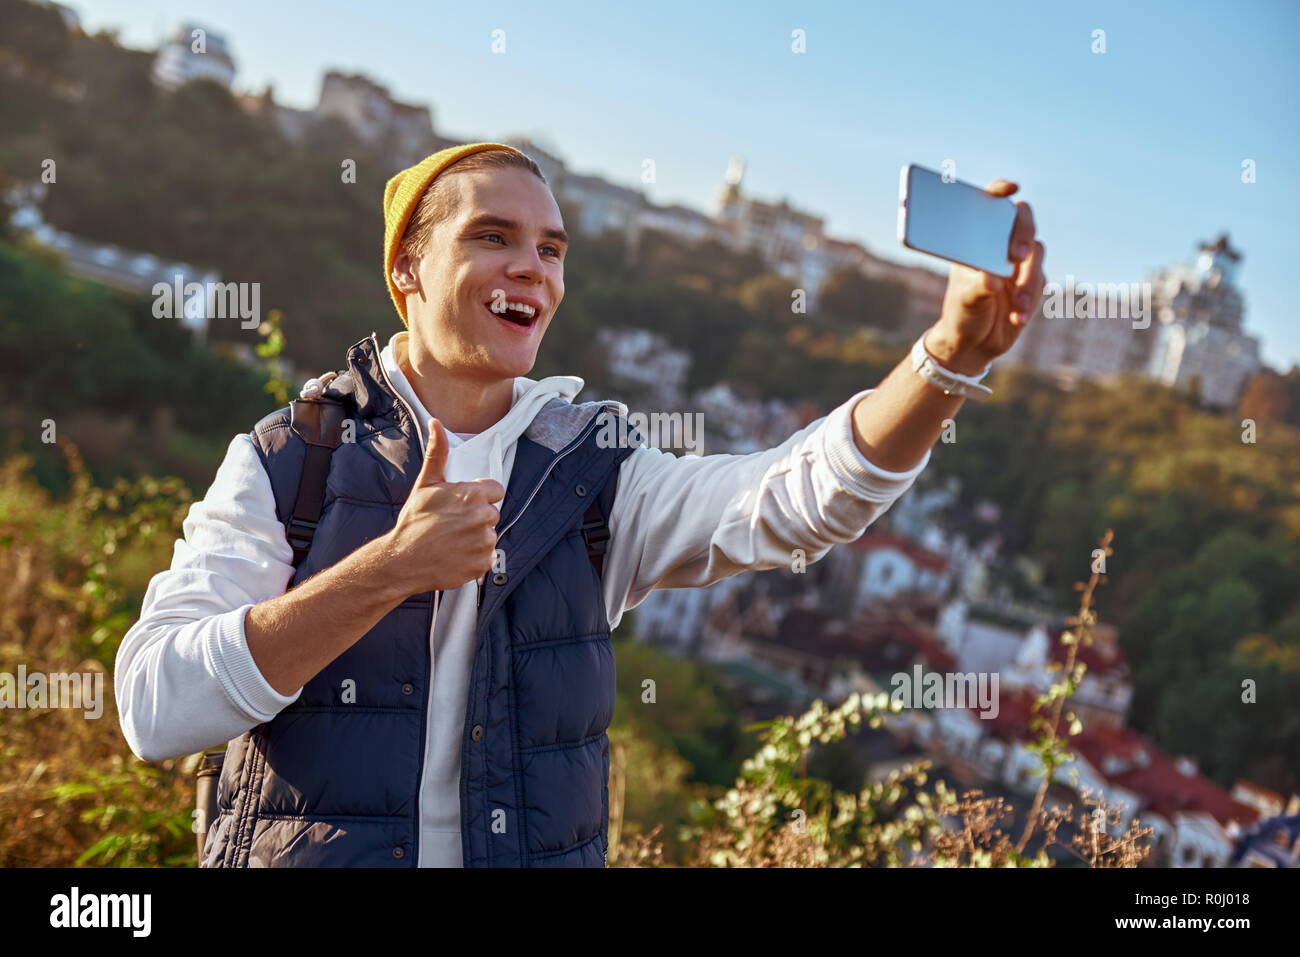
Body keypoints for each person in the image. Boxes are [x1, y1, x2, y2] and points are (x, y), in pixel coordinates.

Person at [114, 142, 1045, 867]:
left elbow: (796, 499)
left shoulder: (594, 475)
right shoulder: (291, 460)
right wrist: (387, 571)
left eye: (551, 249)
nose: (534, 268)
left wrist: (949, 357)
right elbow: (155, 708)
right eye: (493, 237)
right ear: (407, 269)